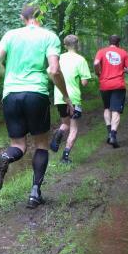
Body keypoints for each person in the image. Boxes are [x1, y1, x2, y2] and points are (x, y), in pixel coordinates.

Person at [0, 5, 72, 208]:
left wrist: (8, 77)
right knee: (41, 145)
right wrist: (66, 95)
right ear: (40, 17)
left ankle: (5, 157)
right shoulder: (49, 37)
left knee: (18, 145)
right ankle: (35, 193)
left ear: (21, 17)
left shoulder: (10, 35)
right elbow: (54, 70)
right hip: (36, 93)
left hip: (11, 94)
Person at [50, 34, 92, 163]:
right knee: (73, 128)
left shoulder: (58, 58)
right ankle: (65, 157)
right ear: (77, 44)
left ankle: (58, 133)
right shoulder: (81, 60)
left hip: (60, 96)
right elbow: (84, 82)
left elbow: (51, 73)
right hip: (73, 98)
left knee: (65, 123)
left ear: (65, 45)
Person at [94, 35, 128, 148]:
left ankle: (109, 133)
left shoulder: (101, 51)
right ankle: (113, 135)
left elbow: (96, 63)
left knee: (107, 108)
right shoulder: (123, 52)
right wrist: (123, 69)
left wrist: (98, 73)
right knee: (115, 110)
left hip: (104, 85)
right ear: (118, 43)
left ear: (109, 42)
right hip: (118, 85)